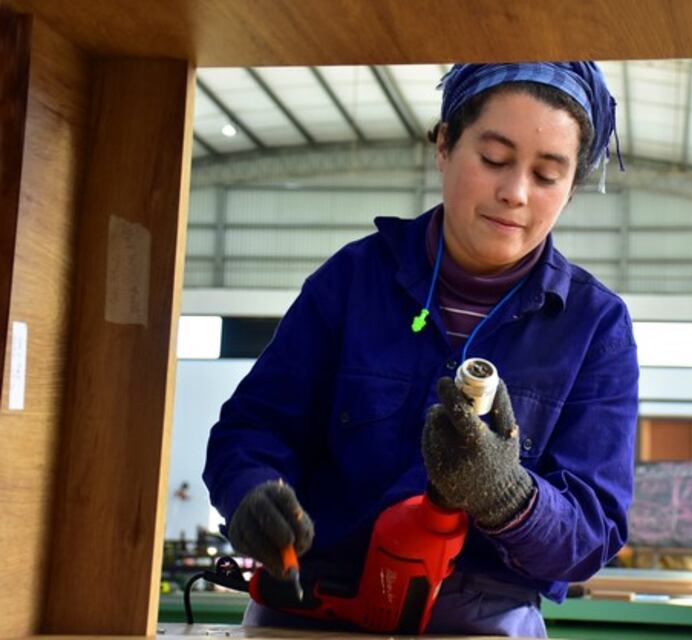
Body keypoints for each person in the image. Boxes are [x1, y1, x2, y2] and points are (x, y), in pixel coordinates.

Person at [203, 61, 639, 638]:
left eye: (547, 174)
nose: (515, 193)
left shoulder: (595, 328)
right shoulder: (352, 280)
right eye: (494, 159)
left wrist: (510, 498)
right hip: (314, 605)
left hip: (481, 619)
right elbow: (250, 429)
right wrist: (251, 491)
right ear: (444, 145)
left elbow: (594, 533)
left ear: (573, 185)